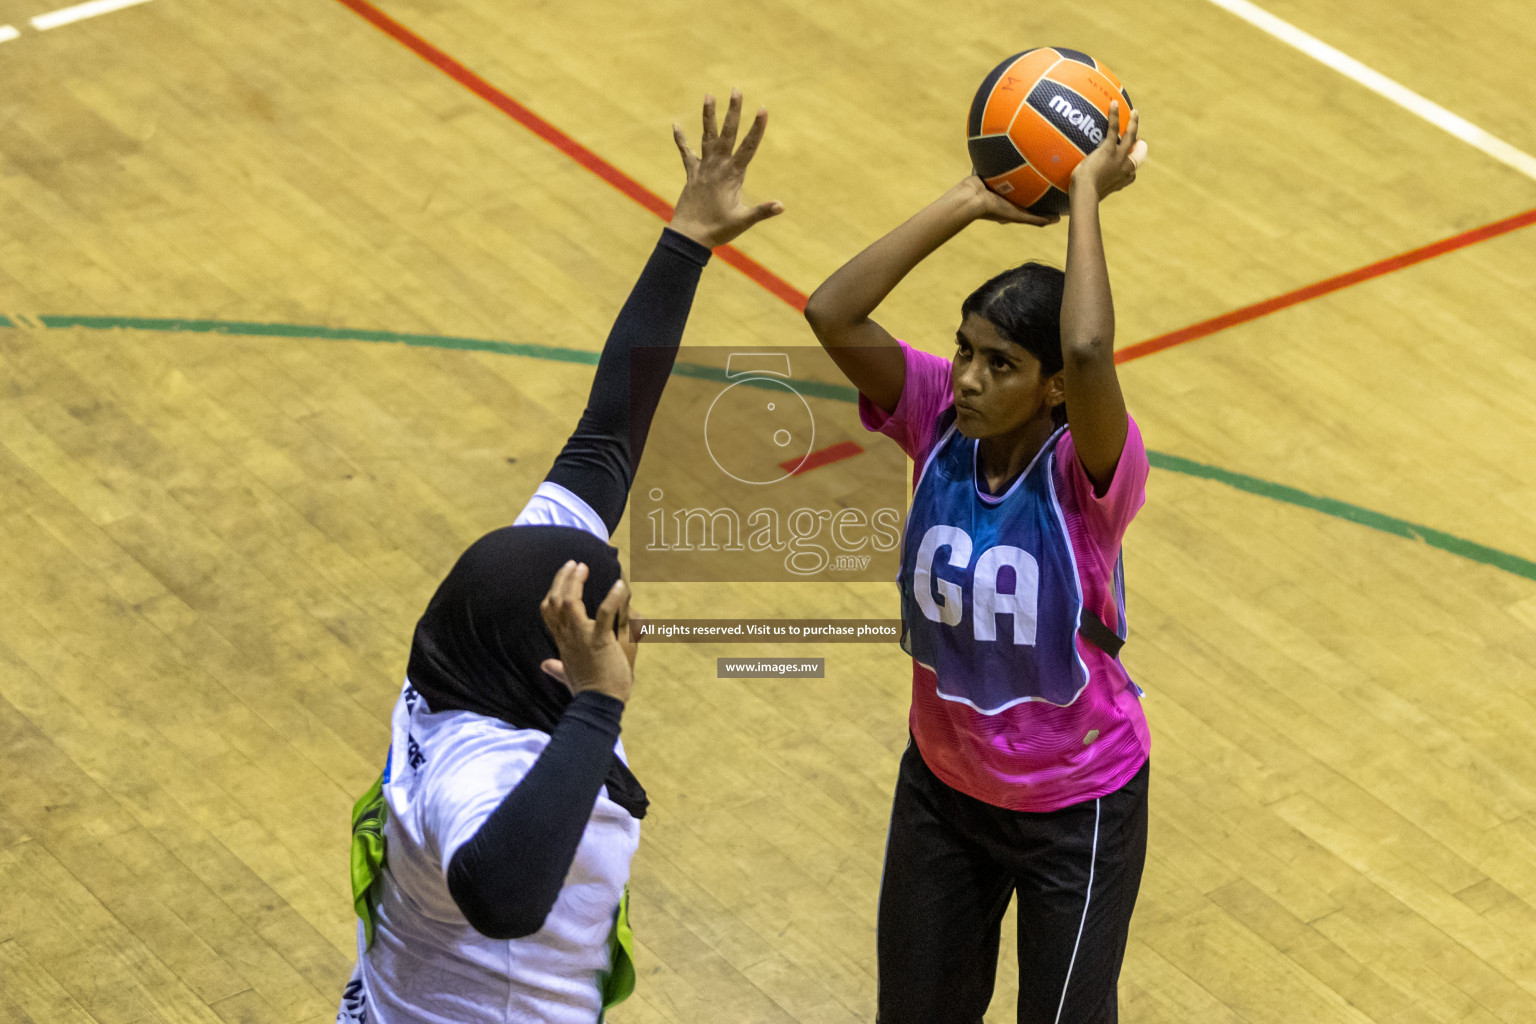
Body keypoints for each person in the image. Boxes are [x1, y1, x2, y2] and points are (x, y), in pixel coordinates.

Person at [335, 90, 782, 1024]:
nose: (624, 634)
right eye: (605, 626)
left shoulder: (472, 654)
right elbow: (505, 899)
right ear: (551, 661)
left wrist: (686, 239)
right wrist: (599, 707)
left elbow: (605, 441)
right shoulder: (481, 770)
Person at [804, 104, 1150, 1023]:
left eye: (999, 364)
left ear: (1053, 393)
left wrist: (1083, 193)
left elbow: (1086, 344)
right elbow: (831, 310)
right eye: (963, 350)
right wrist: (968, 199)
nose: (964, 377)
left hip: (1076, 807)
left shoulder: (1089, 473)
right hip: (943, 793)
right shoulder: (932, 417)